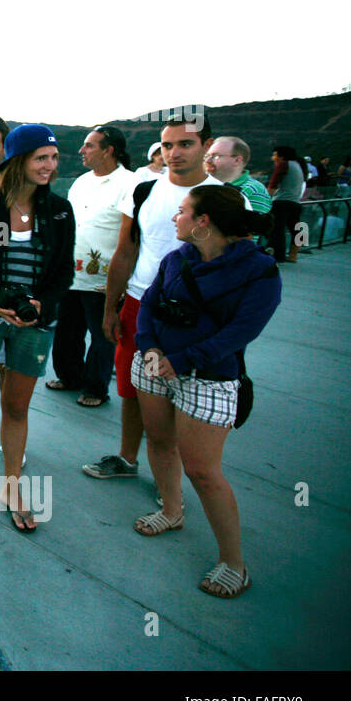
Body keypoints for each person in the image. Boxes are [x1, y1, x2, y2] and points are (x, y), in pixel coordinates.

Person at [131, 185, 280, 598]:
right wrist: (150, 347)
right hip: (153, 365)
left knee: (203, 470)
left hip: (209, 377)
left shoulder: (259, 271)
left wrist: (181, 360)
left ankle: (234, 562)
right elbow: (148, 303)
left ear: (203, 222)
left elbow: (241, 332)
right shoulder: (178, 258)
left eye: (181, 212)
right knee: (160, 442)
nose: (173, 218)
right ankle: (172, 510)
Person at [84, 120, 222, 481]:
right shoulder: (143, 190)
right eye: (166, 145)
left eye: (185, 144)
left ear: (205, 145)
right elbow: (125, 251)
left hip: (194, 314)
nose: (173, 153)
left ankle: (171, 483)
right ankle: (127, 458)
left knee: (183, 394)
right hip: (138, 303)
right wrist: (111, 306)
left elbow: (234, 262)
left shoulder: (223, 197)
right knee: (131, 389)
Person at [0, 124, 75, 533]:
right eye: (41, 157)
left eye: (54, 158)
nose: (50, 165)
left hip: (34, 324)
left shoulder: (60, 210)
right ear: (18, 159)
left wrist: (45, 304)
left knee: (17, 407)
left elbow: (63, 273)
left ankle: (11, 487)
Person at [47, 125, 137, 407]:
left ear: (109, 150)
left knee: (102, 335)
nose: (81, 150)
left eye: (89, 145)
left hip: (103, 277)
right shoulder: (82, 182)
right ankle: (69, 376)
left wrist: (123, 279)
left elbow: (132, 236)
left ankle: (96, 387)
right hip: (71, 272)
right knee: (67, 331)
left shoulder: (130, 184)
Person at [266, 145, 305, 264]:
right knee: (296, 229)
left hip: (281, 202)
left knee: (276, 229)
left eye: (274, 155)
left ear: (281, 156)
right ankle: (293, 255)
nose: (273, 158)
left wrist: (265, 199)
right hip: (295, 202)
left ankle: (278, 256)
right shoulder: (298, 165)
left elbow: (273, 184)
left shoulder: (283, 164)